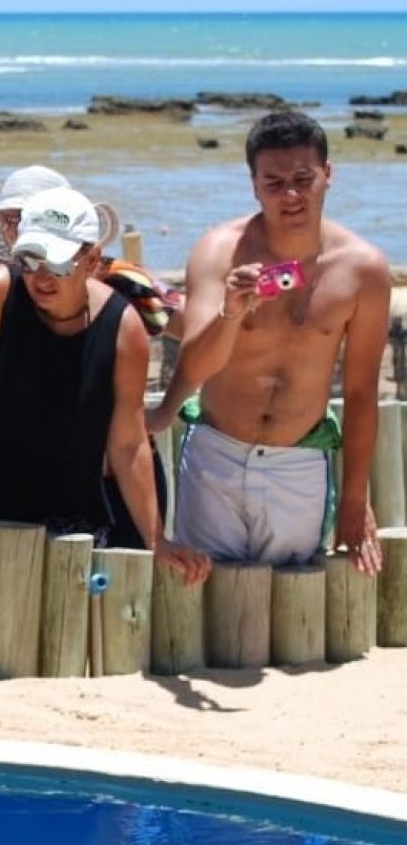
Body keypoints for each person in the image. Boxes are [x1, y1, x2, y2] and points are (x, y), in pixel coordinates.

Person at [0, 186, 208, 584]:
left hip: (74, 523)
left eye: (57, 264)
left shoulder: (123, 326)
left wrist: (156, 538)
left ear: (91, 260)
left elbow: (128, 442)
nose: (40, 277)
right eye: (31, 259)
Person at [146, 111, 390, 574]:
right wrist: (231, 314)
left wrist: (356, 498)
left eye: (303, 178)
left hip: (298, 461)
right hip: (216, 454)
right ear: (253, 185)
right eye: (274, 182)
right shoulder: (220, 250)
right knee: (207, 602)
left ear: (328, 175)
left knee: (295, 610)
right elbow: (194, 365)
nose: (291, 195)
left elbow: (361, 393)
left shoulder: (363, 270)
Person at [0, 165, 180, 549]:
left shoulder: (123, 284)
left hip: (110, 482)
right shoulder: (1, 289)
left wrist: (167, 408)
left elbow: (186, 330)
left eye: (22, 216)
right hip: (15, 492)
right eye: (9, 219)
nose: (14, 227)